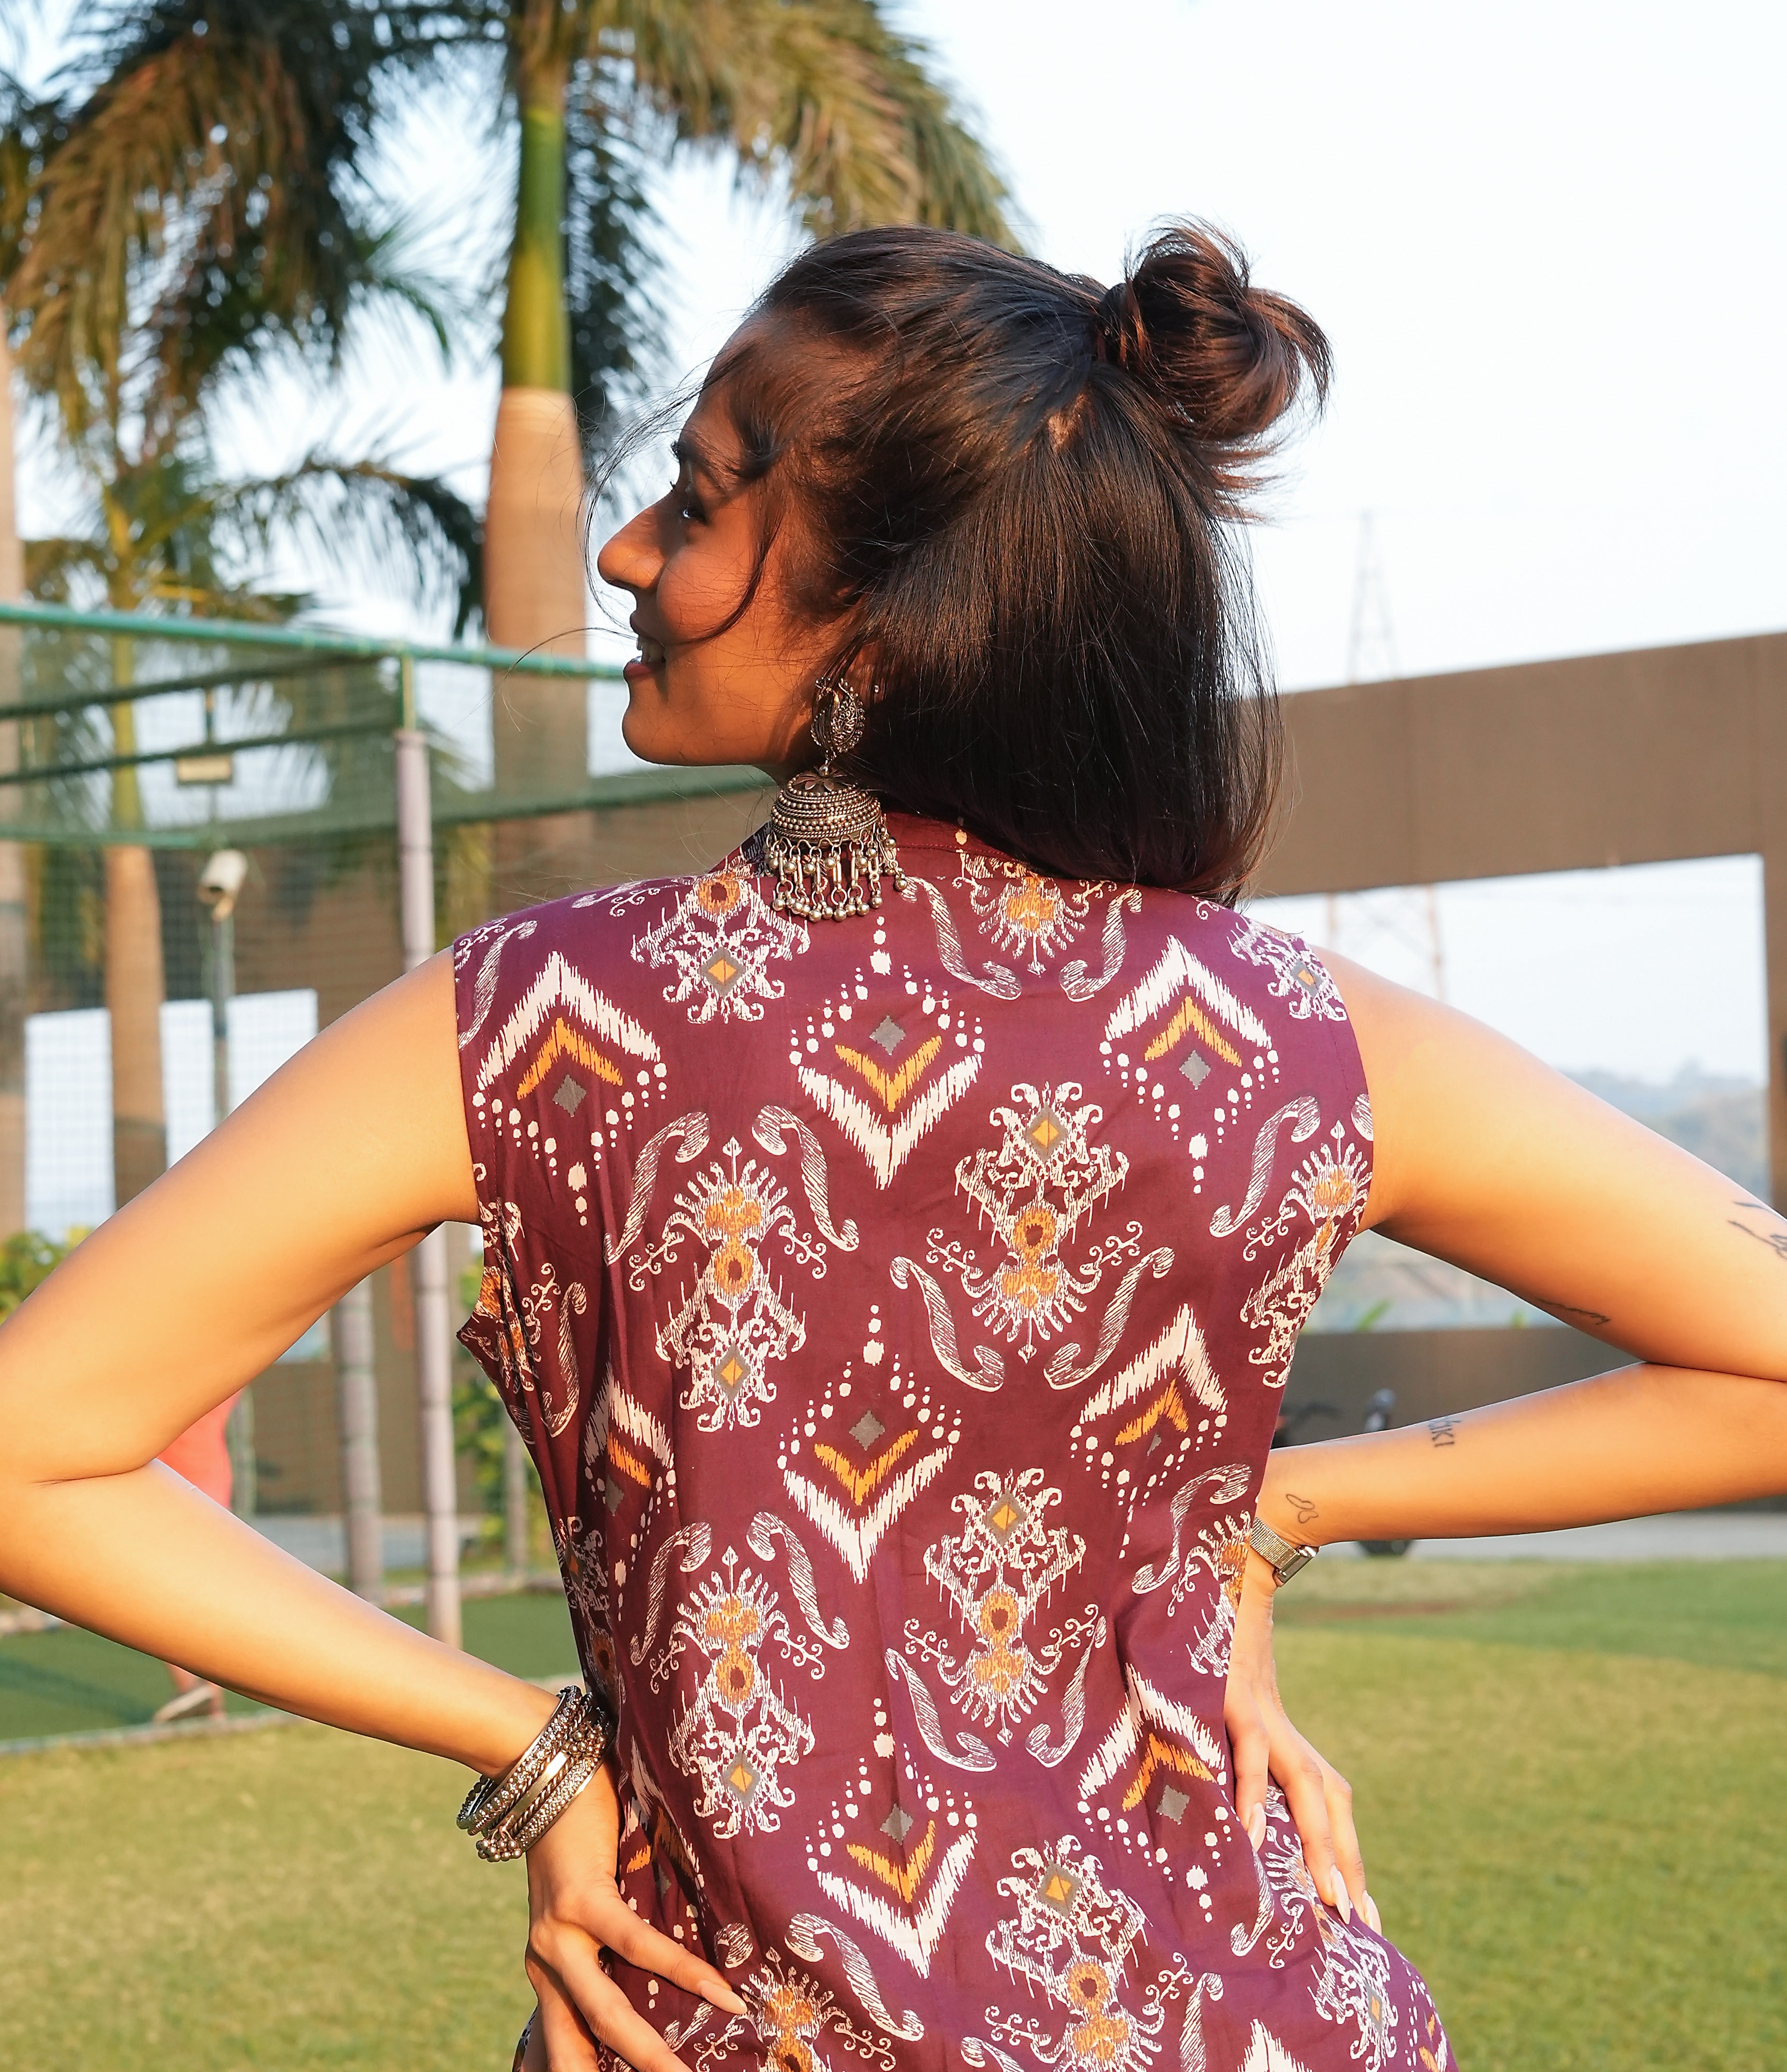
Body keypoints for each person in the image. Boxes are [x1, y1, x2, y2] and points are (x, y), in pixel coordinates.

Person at [1, 222, 1782, 2072]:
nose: (623, 552)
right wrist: (1281, 1513)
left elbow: (31, 1445)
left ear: (879, 611)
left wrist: (529, 1752)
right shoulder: (1303, 1036)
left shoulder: (539, 1025)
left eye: (693, 503)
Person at [151, 1395, 237, 1721]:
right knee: (195, 1592)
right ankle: (207, 1699)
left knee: (159, 1592)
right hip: (206, 1479)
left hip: (176, 1482)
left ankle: (195, 1690)